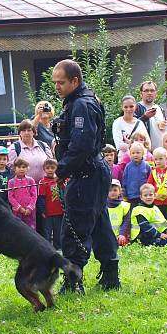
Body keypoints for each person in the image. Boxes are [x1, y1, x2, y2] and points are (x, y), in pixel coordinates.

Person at [51, 59, 120, 292]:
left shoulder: (81, 104)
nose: (57, 87)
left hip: (86, 172)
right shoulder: (83, 100)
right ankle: (110, 275)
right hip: (94, 170)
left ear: (75, 81)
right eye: (55, 83)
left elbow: (82, 144)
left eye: (61, 82)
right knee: (100, 224)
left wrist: (61, 169)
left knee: (74, 226)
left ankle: (73, 281)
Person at [147, 147, 167, 220]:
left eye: (160, 159)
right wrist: (154, 194)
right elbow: (149, 185)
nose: (158, 161)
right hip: (157, 202)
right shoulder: (153, 171)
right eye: (156, 159)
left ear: (166, 158)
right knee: (158, 220)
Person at [38, 159, 63, 250]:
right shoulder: (43, 182)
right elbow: (41, 197)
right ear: (44, 169)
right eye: (47, 168)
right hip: (48, 213)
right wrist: (42, 210)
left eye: (52, 168)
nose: (50, 170)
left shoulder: (60, 181)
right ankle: (47, 249)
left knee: (58, 232)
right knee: (46, 232)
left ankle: (58, 248)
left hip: (59, 212)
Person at [133, 81, 167, 149]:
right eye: (146, 91)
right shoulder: (136, 108)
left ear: (156, 93)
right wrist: (145, 117)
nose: (149, 93)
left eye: (152, 90)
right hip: (144, 151)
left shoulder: (160, 109)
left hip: (160, 151)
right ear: (141, 94)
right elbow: (131, 128)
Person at [8, 158, 37, 230]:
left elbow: (34, 195)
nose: (21, 169)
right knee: (18, 230)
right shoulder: (11, 182)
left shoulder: (31, 180)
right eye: (19, 167)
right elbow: (10, 197)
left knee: (31, 230)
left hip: (30, 211)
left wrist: (30, 208)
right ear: (14, 168)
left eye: (23, 167)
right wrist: (19, 208)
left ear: (27, 168)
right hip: (17, 212)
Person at [122, 142, 152, 206]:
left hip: (145, 195)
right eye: (133, 153)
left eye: (138, 153)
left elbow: (150, 179)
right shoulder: (128, 166)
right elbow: (124, 180)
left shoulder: (146, 165)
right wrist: (124, 193)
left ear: (142, 153)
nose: (135, 155)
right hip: (132, 195)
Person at [107, 179, 131, 246]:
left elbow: (126, 221)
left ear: (120, 191)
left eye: (115, 190)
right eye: (110, 190)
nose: (112, 192)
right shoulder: (103, 205)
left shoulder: (124, 206)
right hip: (106, 235)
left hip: (119, 235)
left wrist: (122, 234)